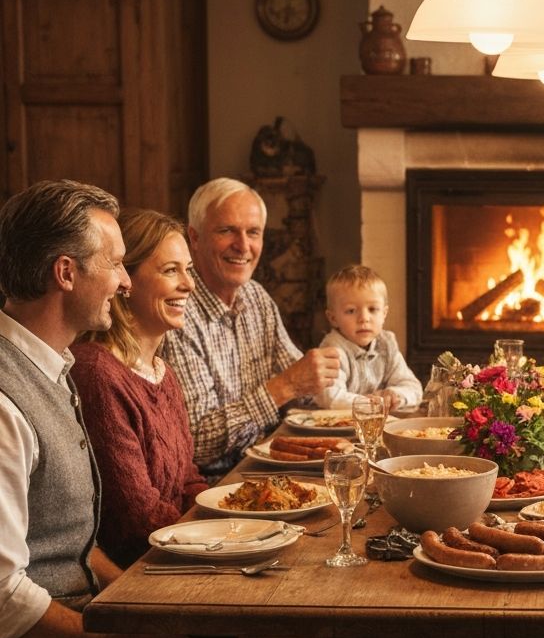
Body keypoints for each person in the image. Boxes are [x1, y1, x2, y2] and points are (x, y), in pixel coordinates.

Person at [0, 180, 251, 638]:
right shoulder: (8, 398)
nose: (123, 278)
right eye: (114, 262)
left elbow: (78, 546)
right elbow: (5, 598)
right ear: (65, 274)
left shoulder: (54, 367)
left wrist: (141, 608)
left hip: (68, 623)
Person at [162, 177, 342, 477]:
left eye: (253, 232)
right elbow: (198, 443)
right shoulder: (179, 311)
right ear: (194, 238)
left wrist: (354, 383)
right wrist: (284, 386)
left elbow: (305, 386)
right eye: (226, 230)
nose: (243, 246)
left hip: (272, 464)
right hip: (217, 484)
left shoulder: (256, 296)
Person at [70, 209, 207, 570]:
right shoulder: (97, 372)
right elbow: (137, 518)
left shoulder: (163, 372)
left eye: (188, 269)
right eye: (170, 270)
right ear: (125, 281)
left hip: (183, 552)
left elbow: (188, 480)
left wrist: (238, 516)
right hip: (138, 572)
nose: (189, 285)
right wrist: (221, 539)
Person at [316, 264, 423, 412]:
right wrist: (372, 403)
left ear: (384, 314)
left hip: (375, 423)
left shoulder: (386, 343)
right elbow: (331, 398)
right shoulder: (332, 349)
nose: (364, 318)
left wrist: (395, 395)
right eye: (351, 311)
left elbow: (414, 387)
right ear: (333, 318)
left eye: (372, 309)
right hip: (336, 426)